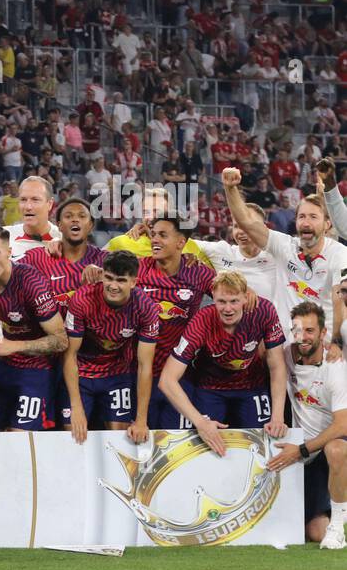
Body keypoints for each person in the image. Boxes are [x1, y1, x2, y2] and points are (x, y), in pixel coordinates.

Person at [159, 271, 287, 454]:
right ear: (213, 299)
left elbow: (277, 366)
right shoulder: (202, 320)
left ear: (245, 298)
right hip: (210, 388)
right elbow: (167, 380)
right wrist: (201, 423)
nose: (228, 309)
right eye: (221, 302)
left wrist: (278, 416)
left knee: (265, 446)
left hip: (252, 385)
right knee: (206, 446)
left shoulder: (264, 310)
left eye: (234, 301)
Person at [223, 165, 347, 337]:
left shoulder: (340, 253)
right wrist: (230, 188)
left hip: (324, 350)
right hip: (283, 347)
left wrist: (336, 342)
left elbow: (340, 298)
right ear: (295, 221)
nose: (306, 222)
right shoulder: (283, 246)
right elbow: (247, 222)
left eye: (313, 217)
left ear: (327, 224)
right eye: (301, 216)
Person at [0, 225, 68, 431]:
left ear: (9, 253)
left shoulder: (31, 282)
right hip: (5, 368)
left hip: (37, 370)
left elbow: (60, 340)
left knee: (19, 436)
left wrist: (13, 346)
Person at [268, 301, 347, 547]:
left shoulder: (335, 365)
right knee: (314, 533)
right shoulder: (285, 356)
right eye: (298, 330)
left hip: (327, 445)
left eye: (310, 331)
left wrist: (301, 449)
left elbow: (342, 425)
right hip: (308, 455)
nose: (303, 337)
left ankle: (337, 526)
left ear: (323, 334)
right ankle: (334, 514)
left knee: (336, 449)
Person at [61, 250, 158, 444]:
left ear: (134, 282)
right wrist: (76, 406)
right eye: (109, 278)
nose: (113, 286)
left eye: (121, 280)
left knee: (122, 439)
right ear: (102, 275)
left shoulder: (146, 308)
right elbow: (69, 355)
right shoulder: (82, 299)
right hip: (81, 373)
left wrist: (141, 420)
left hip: (117, 375)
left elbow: (145, 365)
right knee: (72, 435)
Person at [137, 215, 218, 429]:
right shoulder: (137, 268)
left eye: (163, 235)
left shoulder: (198, 272)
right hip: (138, 374)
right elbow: (106, 271)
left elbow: (229, 295)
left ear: (181, 242)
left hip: (180, 375)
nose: (155, 240)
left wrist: (249, 292)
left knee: (178, 447)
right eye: (153, 234)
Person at [5, 176, 62, 261]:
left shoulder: (64, 240)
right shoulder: (3, 237)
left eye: (35, 200)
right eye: (23, 200)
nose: (28, 207)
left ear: (50, 204)